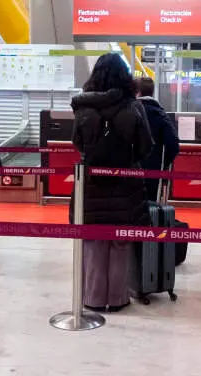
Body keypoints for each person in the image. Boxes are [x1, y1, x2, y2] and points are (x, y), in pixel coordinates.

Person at [71, 53, 153, 312]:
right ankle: (117, 299)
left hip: (91, 182)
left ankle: (94, 298)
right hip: (124, 185)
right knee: (120, 242)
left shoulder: (83, 107)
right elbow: (145, 146)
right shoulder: (133, 106)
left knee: (94, 241)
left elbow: (77, 142)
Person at [137, 77, 179, 203]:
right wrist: (165, 163)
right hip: (153, 169)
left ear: (137, 92)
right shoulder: (160, 114)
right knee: (150, 204)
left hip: (128, 169)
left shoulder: (126, 112)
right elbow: (173, 144)